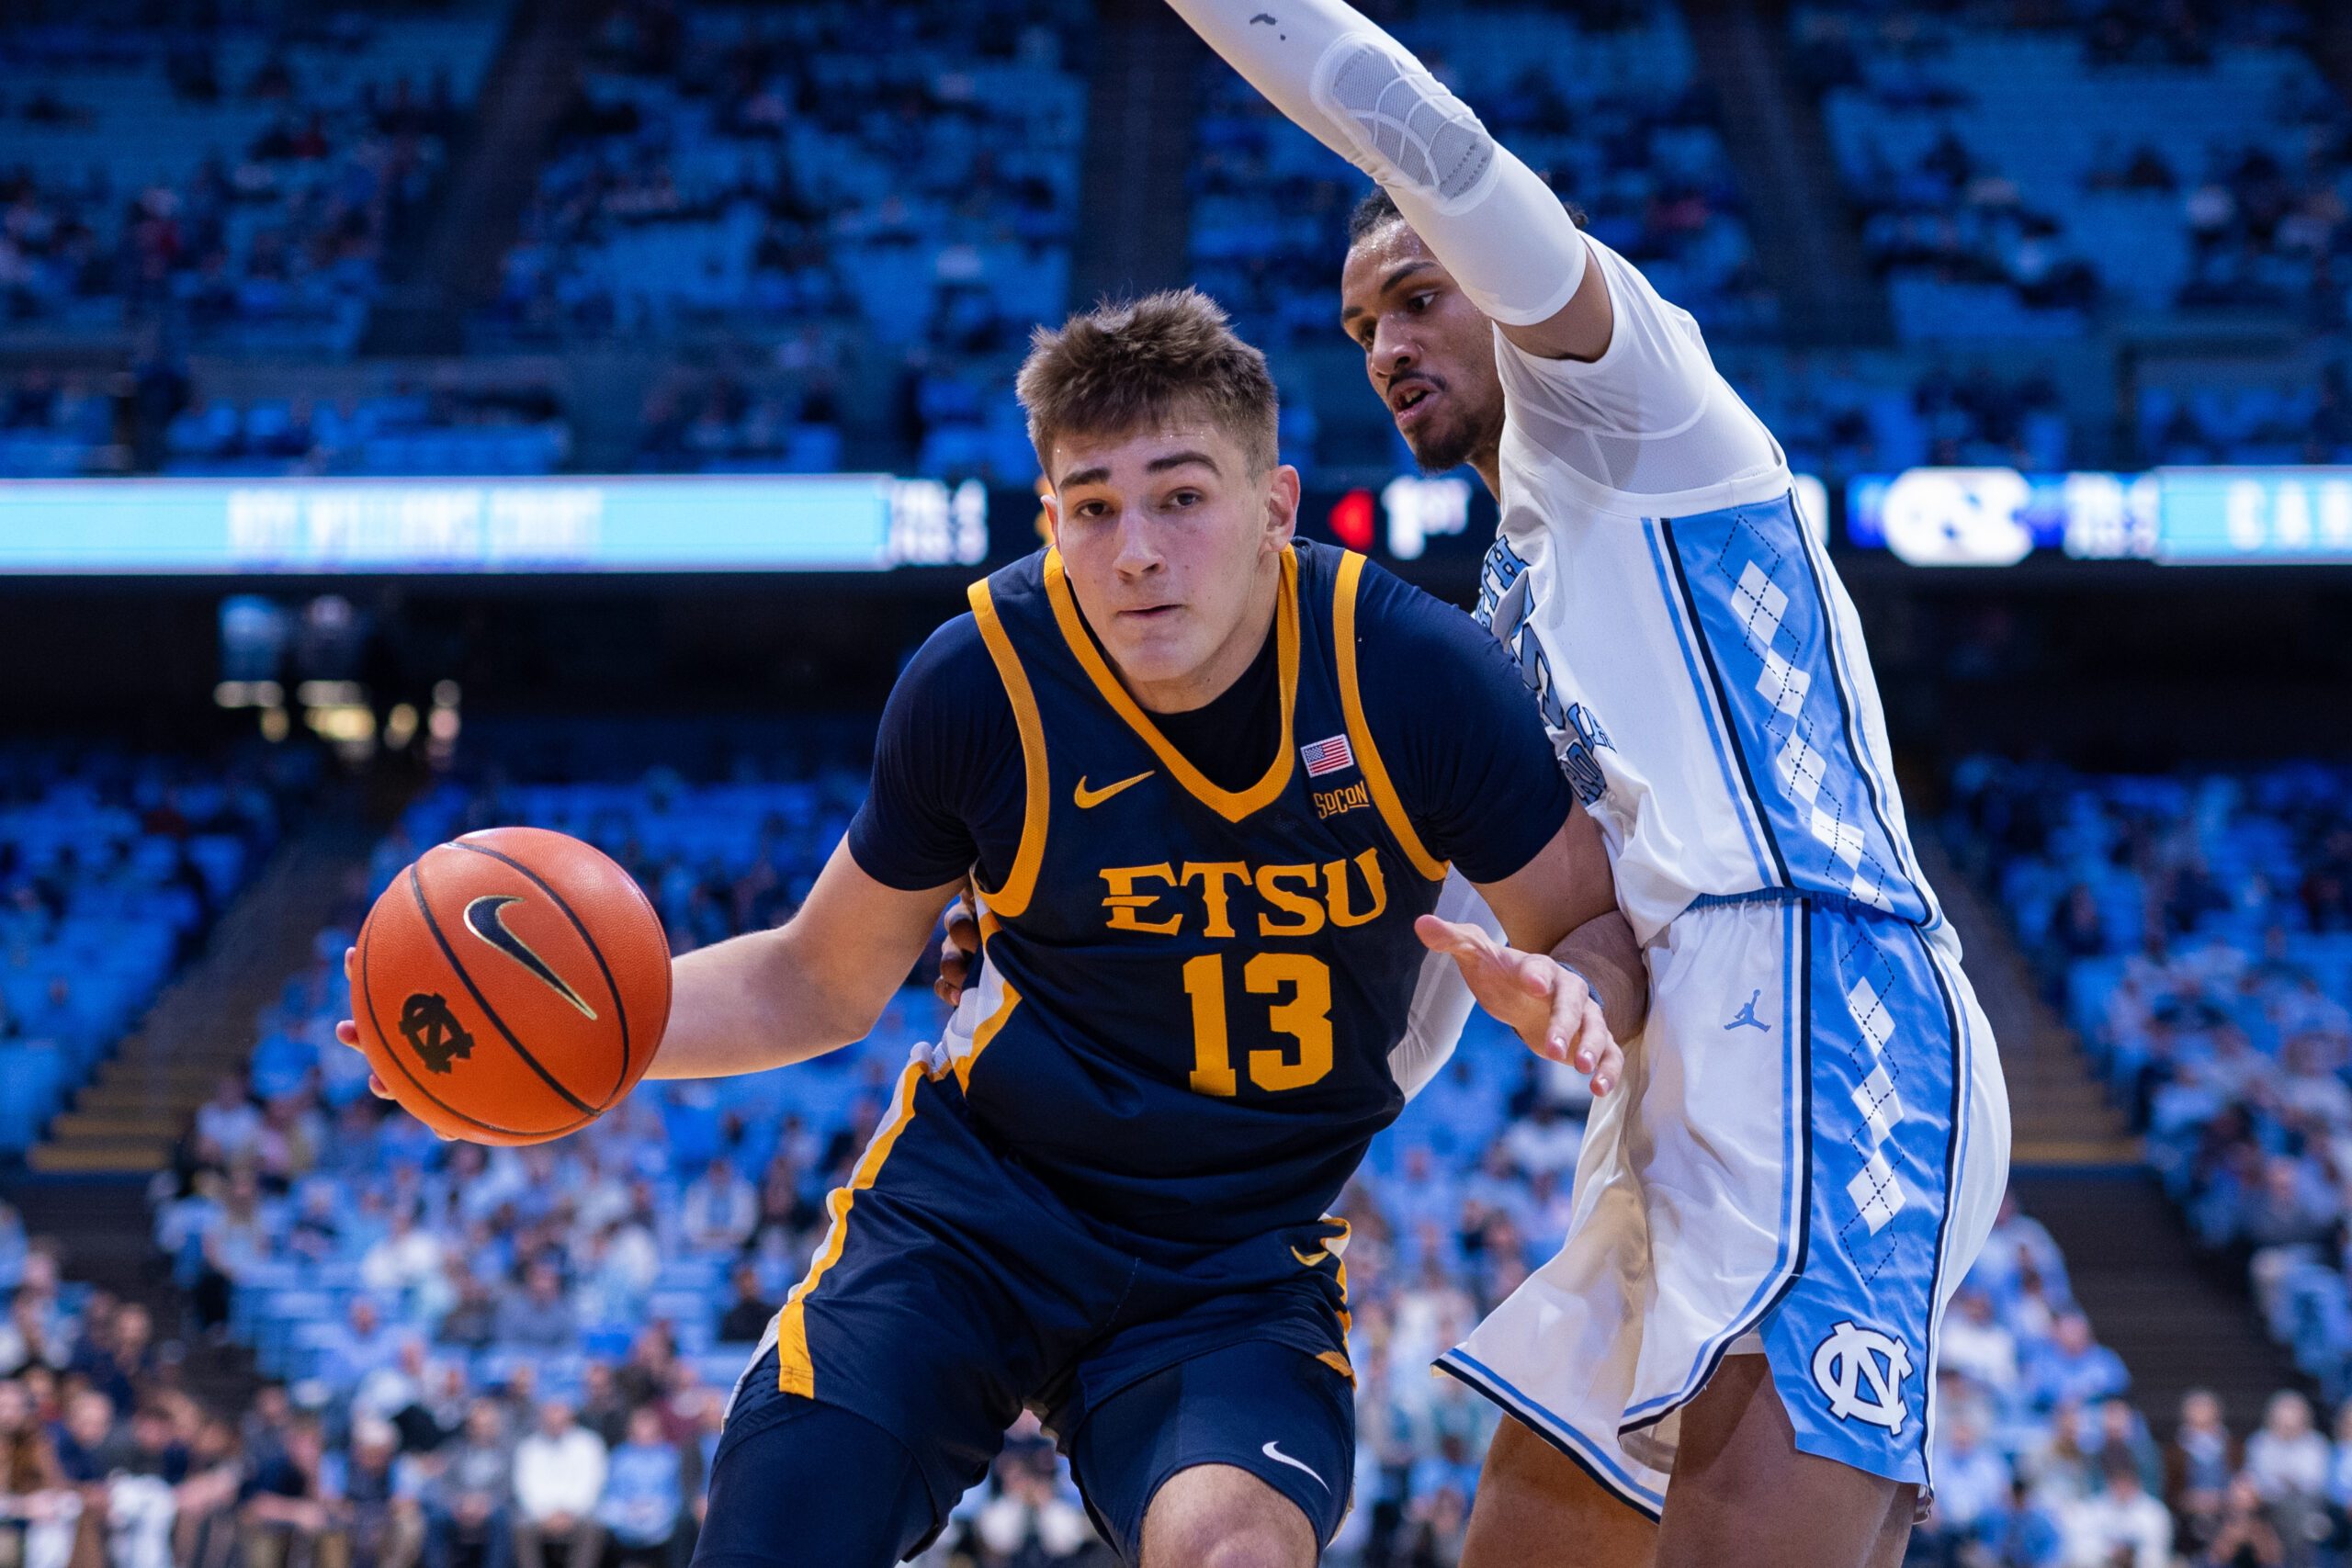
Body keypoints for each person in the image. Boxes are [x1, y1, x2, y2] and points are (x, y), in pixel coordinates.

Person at [332, 289, 1647, 1568]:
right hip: (975, 1211)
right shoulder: (981, 679)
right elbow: (817, 980)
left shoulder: (1411, 677)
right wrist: (563, 1046)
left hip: (1236, 1255)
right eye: (1094, 507)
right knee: (775, 1533)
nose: (1136, 548)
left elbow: (1591, 930)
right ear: (1051, 519)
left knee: (1235, 1552)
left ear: (1274, 507)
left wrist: (1574, 996)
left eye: (1182, 497)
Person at [1161, 2, 2014, 1563]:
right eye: (1361, 333)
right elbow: (1418, 997)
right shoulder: (1493, 628)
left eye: (1418, 299)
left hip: (1828, 1003)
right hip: (1662, 1082)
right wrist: (1205, 1201)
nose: (1389, 349)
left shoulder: (1640, 406)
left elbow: (1414, 128)